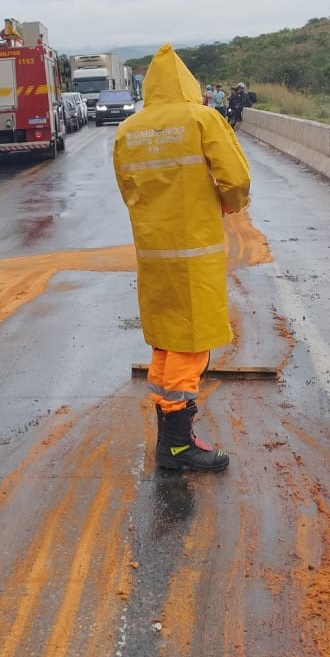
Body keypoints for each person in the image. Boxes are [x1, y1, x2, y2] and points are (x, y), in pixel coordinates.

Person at [113, 44, 251, 472]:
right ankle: (177, 446)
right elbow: (236, 178)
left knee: (166, 342)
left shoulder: (128, 130)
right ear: (188, 83)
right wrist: (229, 204)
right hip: (195, 256)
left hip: (154, 254)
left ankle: (168, 439)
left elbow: (128, 192)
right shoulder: (202, 119)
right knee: (191, 347)